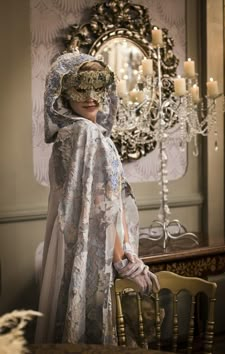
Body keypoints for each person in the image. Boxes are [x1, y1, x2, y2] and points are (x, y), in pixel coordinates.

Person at [35, 51, 159, 345]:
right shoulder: (86, 134)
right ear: (64, 94)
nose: (91, 97)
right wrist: (124, 263)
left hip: (79, 247)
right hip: (97, 252)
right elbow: (101, 212)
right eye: (81, 88)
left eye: (98, 87)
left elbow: (109, 199)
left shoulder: (72, 133)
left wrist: (127, 249)